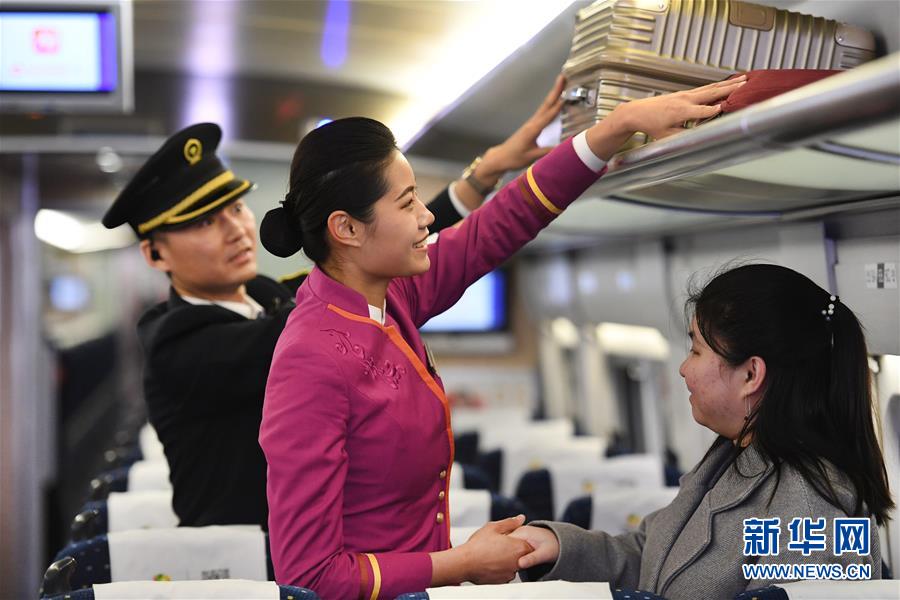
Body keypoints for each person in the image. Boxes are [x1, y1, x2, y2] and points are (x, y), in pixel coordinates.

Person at [258, 74, 745, 599]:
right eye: (406, 203)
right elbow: (309, 577)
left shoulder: (389, 296)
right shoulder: (311, 356)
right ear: (347, 229)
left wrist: (611, 130)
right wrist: (460, 563)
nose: (426, 216)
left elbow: (499, 224)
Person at [100, 94, 560, 529]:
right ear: (155, 254)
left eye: (236, 209)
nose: (235, 229)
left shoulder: (269, 296)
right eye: (205, 222)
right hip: (241, 564)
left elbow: (374, 251)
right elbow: (357, 275)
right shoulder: (176, 343)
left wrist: (482, 176)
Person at [510, 264, 893, 600]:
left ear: (750, 375)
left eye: (695, 351)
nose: (683, 369)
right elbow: (653, 557)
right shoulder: (731, 459)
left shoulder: (811, 515)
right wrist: (559, 547)